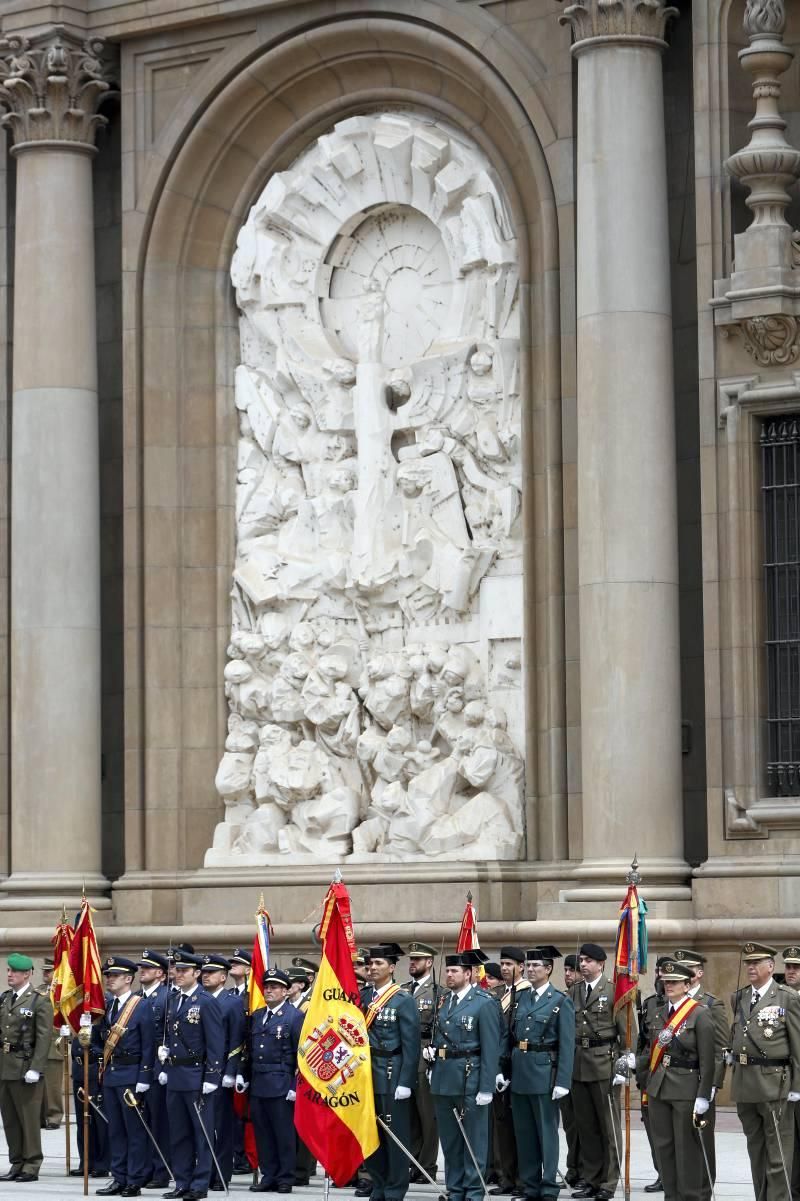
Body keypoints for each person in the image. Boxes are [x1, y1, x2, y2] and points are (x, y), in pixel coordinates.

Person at [638, 959, 715, 1201]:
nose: (668, 986)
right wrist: (636, 1064)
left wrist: (703, 1095)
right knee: (665, 1148)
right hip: (659, 1087)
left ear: (687, 984)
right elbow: (653, 1052)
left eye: (674, 982)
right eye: (665, 982)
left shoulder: (700, 1013)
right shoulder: (659, 1012)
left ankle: (691, 1196)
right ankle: (671, 1196)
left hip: (686, 1088)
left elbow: (708, 1059)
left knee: (686, 1150)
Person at [728, 941, 800, 1201]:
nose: (750, 967)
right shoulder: (741, 997)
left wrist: (797, 1087)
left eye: (756, 963)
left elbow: (798, 1046)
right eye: (748, 963)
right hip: (745, 1084)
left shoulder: (787, 997)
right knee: (756, 1150)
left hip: (774, 1084)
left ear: (770, 967)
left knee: (778, 1152)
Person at [428, 949, 501, 1201]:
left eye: (454, 971)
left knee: (473, 1140)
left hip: (470, 1077)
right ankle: (455, 1188)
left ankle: (473, 1189)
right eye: (447, 970)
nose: (449, 975)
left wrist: (486, 1087)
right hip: (444, 1078)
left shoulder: (484, 1002)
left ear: (468, 974)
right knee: (450, 1141)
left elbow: (491, 1048)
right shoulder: (444, 1001)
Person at [504, 946, 575, 1201]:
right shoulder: (520, 998)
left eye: (537, 966)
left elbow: (567, 1044)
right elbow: (510, 1037)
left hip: (545, 1074)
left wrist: (563, 1080)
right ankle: (530, 1186)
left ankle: (548, 1187)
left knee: (546, 1134)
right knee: (524, 1134)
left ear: (548, 969)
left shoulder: (559, 1001)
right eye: (528, 965)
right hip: (521, 1072)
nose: (531, 969)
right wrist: (505, 1071)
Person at [158, 949, 224, 1201]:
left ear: (196, 973)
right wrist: (164, 1063)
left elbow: (216, 1042)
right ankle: (182, 1181)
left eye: (184, 970)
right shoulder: (174, 1000)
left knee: (201, 1133)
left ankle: (199, 1184)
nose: (178, 974)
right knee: (179, 1134)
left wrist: (212, 1076)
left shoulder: (206, 1002)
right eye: (176, 970)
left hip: (197, 1075)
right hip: (175, 1075)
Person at [569, 942, 632, 1201]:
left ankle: (610, 1180)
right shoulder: (573, 991)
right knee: (587, 1126)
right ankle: (591, 1178)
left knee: (608, 1127)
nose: (583, 964)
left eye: (588, 960)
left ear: (601, 964)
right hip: (578, 1063)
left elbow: (627, 1031)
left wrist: (625, 1064)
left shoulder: (614, 990)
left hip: (604, 1063)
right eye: (581, 960)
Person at [361, 943, 421, 1201]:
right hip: (365, 1075)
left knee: (394, 1135)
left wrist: (406, 1080)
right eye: (370, 964)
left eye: (379, 964)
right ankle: (379, 1184)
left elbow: (411, 1044)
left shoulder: (402, 1000)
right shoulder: (363, 998)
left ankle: (395, 1188)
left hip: (391, 1073)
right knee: (370, 1133)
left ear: (392, 968)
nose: (372, 968)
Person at [96, 955, 157, 1199]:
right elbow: (104, 1041)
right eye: (108, 976)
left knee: (134, 1131)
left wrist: (144, 1076)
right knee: (116, 1131)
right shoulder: (109, 1005)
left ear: (128, 979)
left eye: (115, 976)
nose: (109, 980)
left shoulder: (140, 1005)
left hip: (132, 1075)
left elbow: (148, 1045)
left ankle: (134, 1179)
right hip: (111, 1075)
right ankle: (118, 1177)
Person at [673, 948, 728, 1201]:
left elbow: (719, 1049)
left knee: (701, 1139)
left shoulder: (710, 1003)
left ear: (699, 973)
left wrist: (713, 1085)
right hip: (674, 1082)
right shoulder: (669, 1001)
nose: (685, 972)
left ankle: (705, 1190)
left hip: (700, 1082)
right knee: (677, 1142)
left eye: (690, 968)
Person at [244, 966, 304, 1193]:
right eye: (266, 987)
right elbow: (250, 1050)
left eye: (275, 987)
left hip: (281, 1083)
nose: (269, 991)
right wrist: (245, 1075)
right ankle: (268, 1175)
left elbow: (302, 1054)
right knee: (263, 1133)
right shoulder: (257, 1016)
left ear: (286, 991)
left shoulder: (294, 1016)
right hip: (259, 1082)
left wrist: (294, 1086)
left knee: (283, 1133)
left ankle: (285, 1177)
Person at [0, 952, 54, 1183]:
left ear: (27, 974)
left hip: (25, 1067)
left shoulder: (39, 999)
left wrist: (36, 1068)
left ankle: (31, 1165)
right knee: (10, 1119)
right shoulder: (4, 998)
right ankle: (17, 1162)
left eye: (14, 971)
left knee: (29, 1119)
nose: (9, 974)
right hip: (5, 1066)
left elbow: (44, 1037)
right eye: (9, 971)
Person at [200, 954, 246, 1193]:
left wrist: (230, 1072)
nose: (206, 975)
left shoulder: (232, 1001)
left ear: (223, 976)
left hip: (219, 1074)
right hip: (198, 1072)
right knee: (202, 1127)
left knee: (221, 1127)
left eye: (212, 972)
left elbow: (237, 1039)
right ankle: (204, 1172)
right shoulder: (196, 999)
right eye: (204, 971)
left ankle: (221, 1174)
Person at [403, 942, 442, 1183]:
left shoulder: (438, 992)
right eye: (411, 960)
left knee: (428, 1116)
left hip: (424, 1058)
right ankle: (414, 1162)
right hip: (405, 1058)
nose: (413, 963)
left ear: (429, 963)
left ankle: (427, 1165)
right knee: (410, 1117)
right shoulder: (403, 990)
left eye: (418, 960)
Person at [491, 947, 528, 1195]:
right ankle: (506, 1177)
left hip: (520, 1062)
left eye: (509, 964)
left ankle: (524, 1179)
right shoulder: (495, 994)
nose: (504, 968)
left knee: (522, 1126)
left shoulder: (526, 994)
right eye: (502, 964)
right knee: (502, 1124)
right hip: (498, 1065)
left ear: (521, 967)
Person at [635, 956, 669, 1194]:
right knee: (653, 1130)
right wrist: (639, 1072)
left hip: (677, 1078)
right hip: (652, 1078)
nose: (659, 976)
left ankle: (676, 1174)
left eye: (664, 972)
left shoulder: (693, 1006)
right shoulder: (649, 1004)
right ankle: (662, 1173)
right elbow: (643, 1042)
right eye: (657, 971)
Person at [227, 948, 252, 1175]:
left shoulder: (254, 996)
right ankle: (234, 1154)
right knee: (230, 1114)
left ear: (248, 969)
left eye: (237, 963)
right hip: (227, 1060)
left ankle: (244, 1157)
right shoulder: (230, 995)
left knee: (243, 1114)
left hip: (245, 1059)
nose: (232, 965)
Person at [560, 954, 583, 1190]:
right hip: (567, 1069)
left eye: (573, 970)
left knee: (586, 1124)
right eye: (566, 970)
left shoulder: (585, 997)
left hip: (588, 1065)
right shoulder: (562, 998)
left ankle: (587, 1169)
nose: (568, 974)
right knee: (570, 1124)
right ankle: (573, 1167)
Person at [37, 957, 64, 1131]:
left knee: (52, 1085)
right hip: (38, 1044)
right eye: (44, 971)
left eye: (49, 971)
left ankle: (54, 1116)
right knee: (36, 1084)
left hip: (54, 1042)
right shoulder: (38, 991)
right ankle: (39, 1116)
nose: (45, 974)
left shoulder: (63, 992)